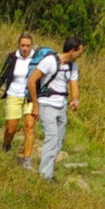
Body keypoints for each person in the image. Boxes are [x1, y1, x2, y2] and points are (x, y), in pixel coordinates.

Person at [32, 37, 85, 179]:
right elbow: (31, 81)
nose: (81, 55)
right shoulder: (50, 61)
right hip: (46, 104)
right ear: (72, 51)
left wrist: (75, 100)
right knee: (52, 138)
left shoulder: (72, 66)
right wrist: (35, 105)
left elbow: (74, 84)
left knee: (59, 142)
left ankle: (47, 170)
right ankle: (44, 177)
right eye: (80, 52)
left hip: (61, 106)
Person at [0, 31, 38, 160]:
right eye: (22, 45)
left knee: (29, 127)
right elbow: (2, 76)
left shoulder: (37, 59)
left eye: (27, 46)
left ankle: (26, 160)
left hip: (30, 97)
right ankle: (6, 146)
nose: (25, 48)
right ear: (18, 45)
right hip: (14, 95)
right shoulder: (12, 57)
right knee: (10, 130)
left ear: (31, 46)